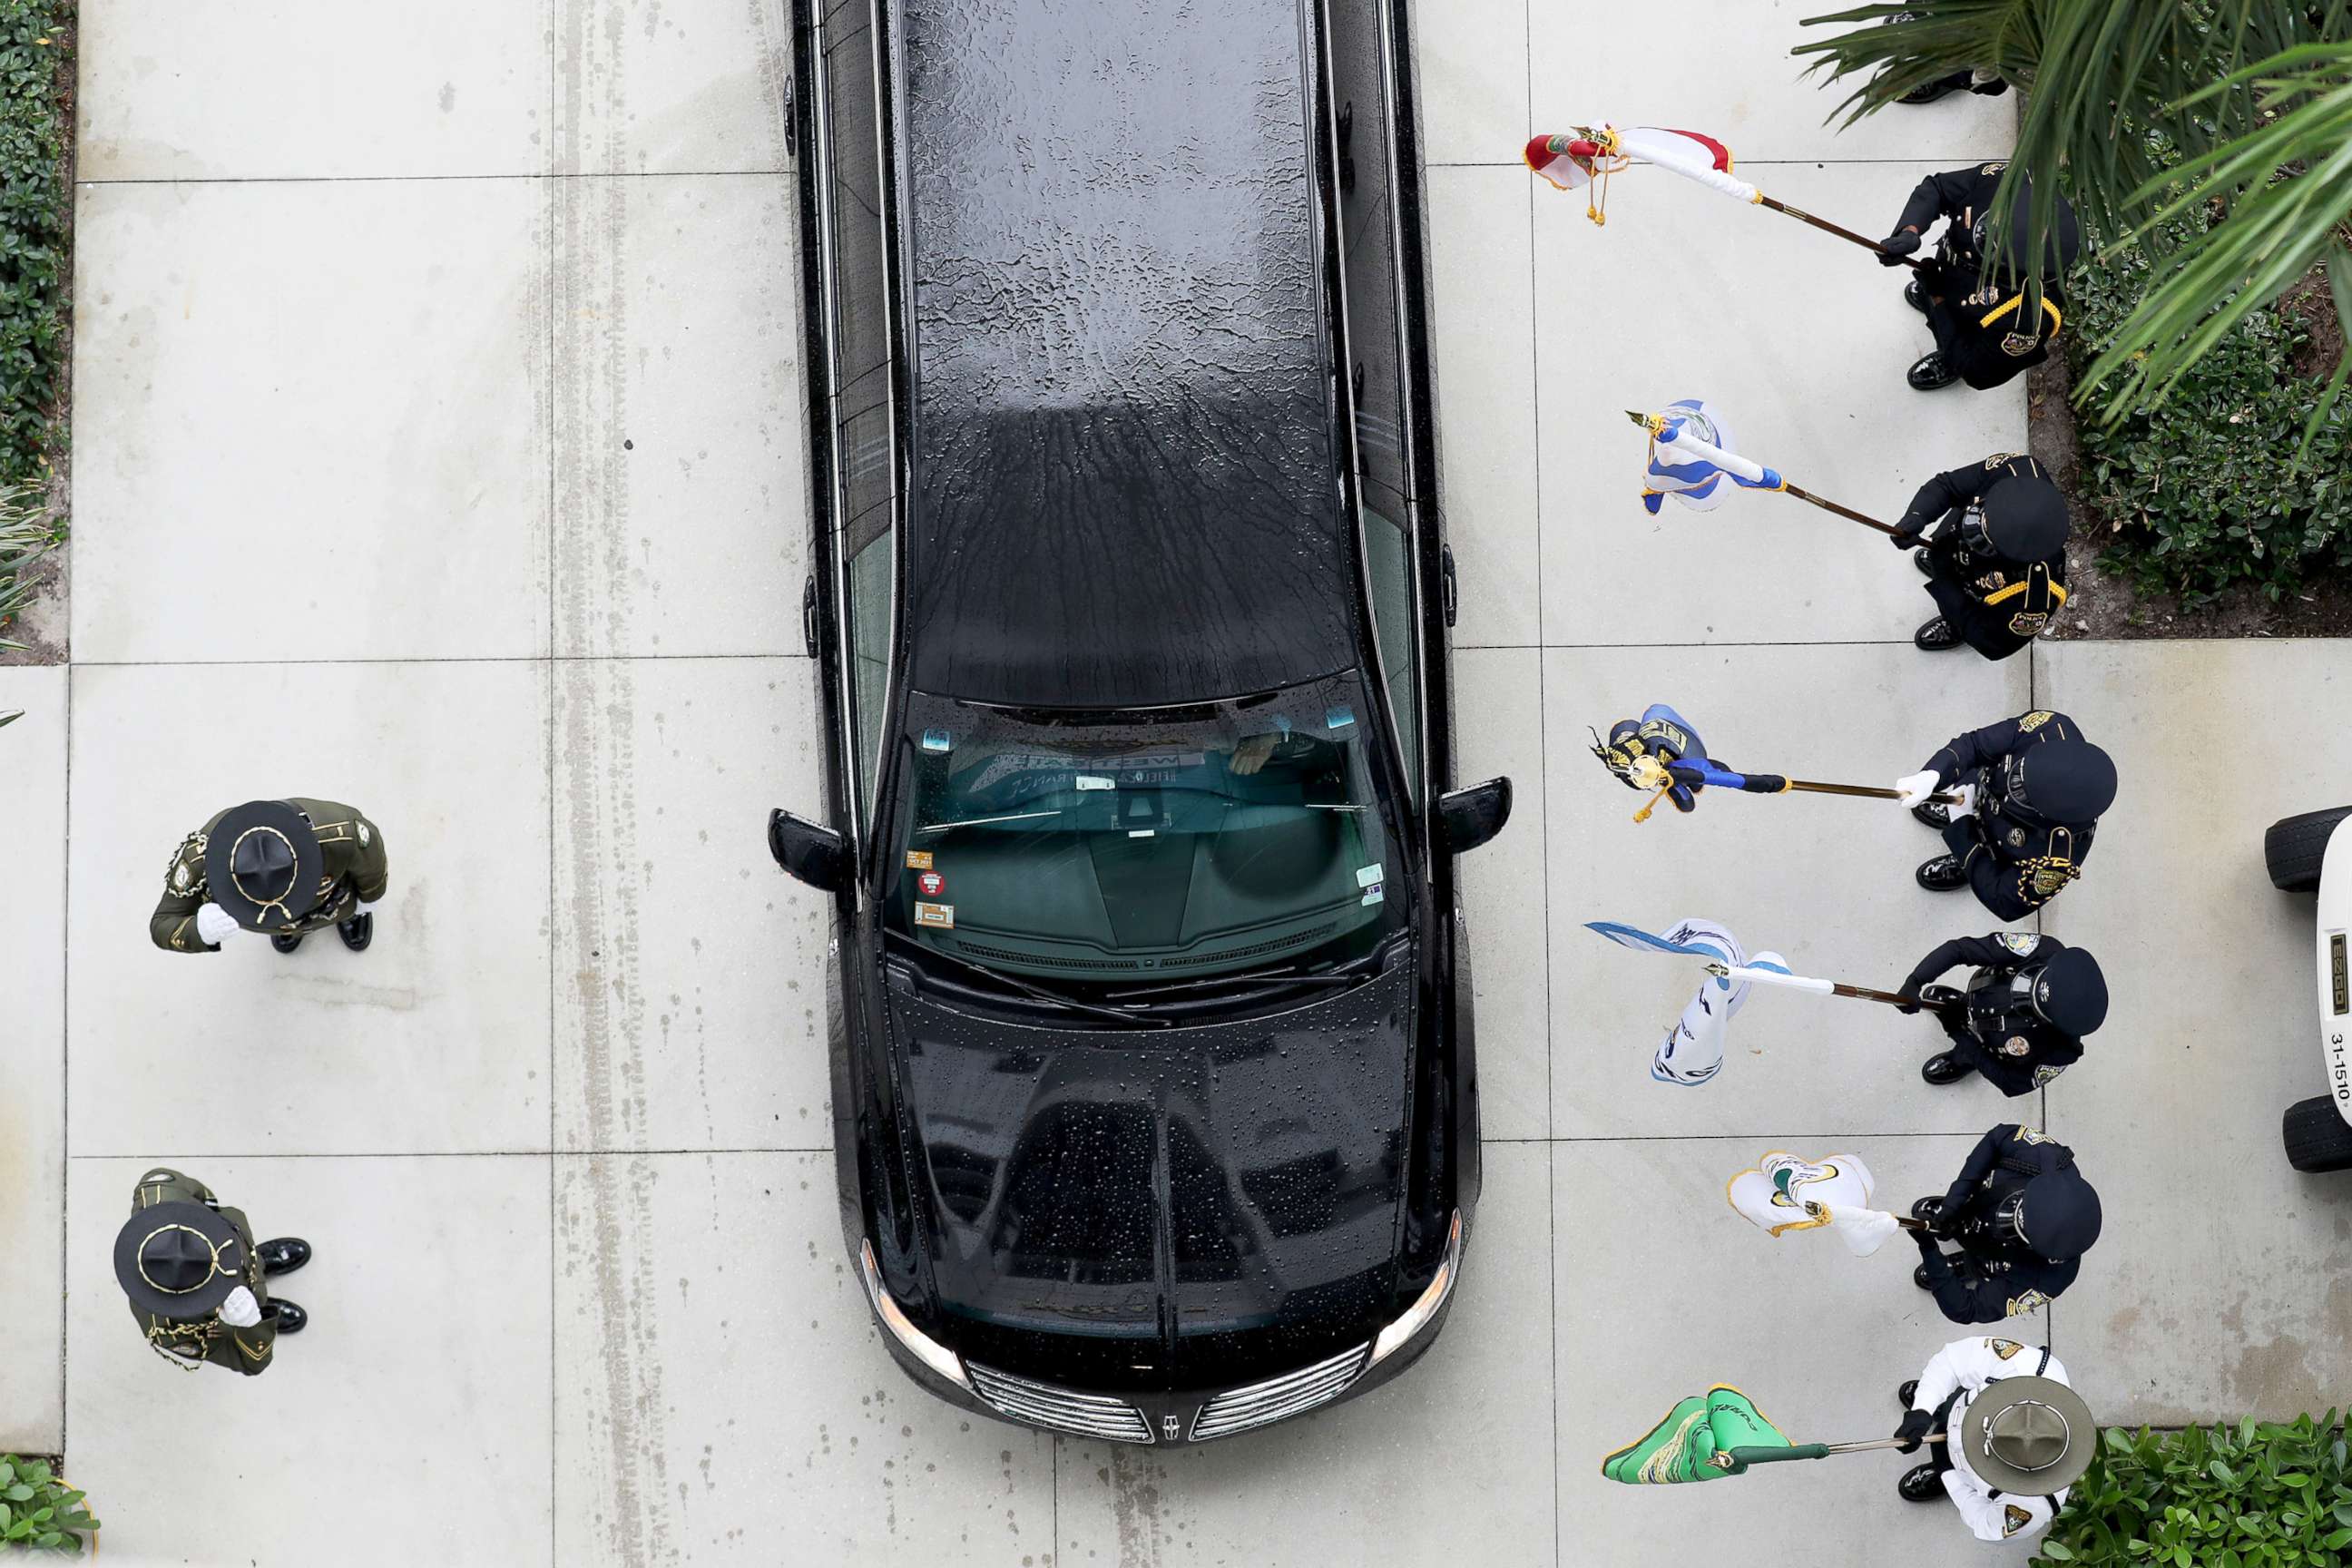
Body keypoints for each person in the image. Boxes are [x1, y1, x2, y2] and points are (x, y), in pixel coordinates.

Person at [1893, 710, 2114, 920]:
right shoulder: (2050, 727)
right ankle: (1960, 808)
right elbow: (1977, 744)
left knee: (1978, 859)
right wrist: (1934, 774)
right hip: (1982, 788)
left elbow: (2003, 900)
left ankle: (1965, 863)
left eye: (2025, 793)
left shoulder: (2057, 858)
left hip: (1997, 849)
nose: (2014, 782)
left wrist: (1963, 831)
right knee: (1969, 790)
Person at [1877, 163, 2081, 391]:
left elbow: (1980, 373)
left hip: (1975, 319)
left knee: (1958, 346)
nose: (1979, 233)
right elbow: (1938, 187)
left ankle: (1948, 360)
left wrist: (1938, 298)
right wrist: (1910, 231)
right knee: (1934, 290)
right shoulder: (2008, 179)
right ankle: (1932, 299)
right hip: (1949, 269)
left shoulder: (2027, 318)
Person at [1891, 1335, 2089, 1544]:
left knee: (1954, 1472)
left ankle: (1940, 1473)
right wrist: (1923, 1407)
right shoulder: (2026, 1366)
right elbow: (1954, 1360)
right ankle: (1941, 1405)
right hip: (1962, 1408)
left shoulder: (2031, 1506)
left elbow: (1985, 1524)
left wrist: (1952, 1478)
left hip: (1961, 1471)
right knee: (1942, 1388)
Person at [115, 1167, 309, 1375]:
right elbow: (249, 1363)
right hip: (225, 1308)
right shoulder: (167, 1329)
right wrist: (251, 1325)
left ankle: (260, 1261)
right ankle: (263, 1309)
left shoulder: (159, 1189)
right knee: (249, 1304)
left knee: (249, 1259)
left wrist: (209, 1209)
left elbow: (199, 1193)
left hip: (233, 1242)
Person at [1910, 1123, 2101, 1322]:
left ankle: (1961, 1266)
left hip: (1993, 1255)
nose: (2010, 1219)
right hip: (1976, 1203)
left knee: (1980, 1267)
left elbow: (1966, 1309)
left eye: (2021, 1230)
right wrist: (1953, 1202)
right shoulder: (2048, 1158)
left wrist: (1930, 1250)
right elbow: (1996, 1138)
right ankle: (1951, 1218)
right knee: (1962, 1214)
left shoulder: (2050, 1279)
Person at [150, 798, 388, 955]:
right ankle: (290, 931)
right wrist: (200, 930)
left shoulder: (339, 833)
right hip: (263, 922)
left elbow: (371, 863)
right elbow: (162, 922)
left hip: (332, 902)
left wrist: (370, 896)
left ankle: (346, 918)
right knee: (284, 926)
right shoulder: (200, 859)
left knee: (348, 905)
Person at [1889, 454, 2070, 656]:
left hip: (1971, 594)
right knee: (1942, 555)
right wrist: (1918, 515)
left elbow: (1993, 643)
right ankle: (1939, 560)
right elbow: (1948, 485)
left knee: (1957, 612)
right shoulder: (2016, 467)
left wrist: (1948, 591)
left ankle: (1955, 628)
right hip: (1951, 543)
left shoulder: (2037, 594)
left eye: (1986, 542)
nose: (1974, 530)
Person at [1899, 931, 2106, 1093]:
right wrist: (1916, 979)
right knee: (1965, 1006)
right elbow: (1960, 949)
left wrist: (1957, 1032)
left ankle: (1962, 1058)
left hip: (1992, 1042)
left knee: (1978, 1051)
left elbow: (2010, 1083)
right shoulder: (2043, 949)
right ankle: (1960, 1005)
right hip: (1983, 992)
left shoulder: (2062, 1051)